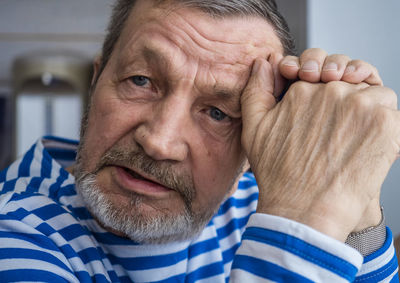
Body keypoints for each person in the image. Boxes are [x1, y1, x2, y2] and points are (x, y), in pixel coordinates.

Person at [0, 0, 398, 282]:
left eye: (218, 113)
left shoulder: (257, 197)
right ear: (97, 80)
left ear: (251, 144)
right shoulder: (16, 234)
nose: (159, 142)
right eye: (141, 81)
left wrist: (353, 191)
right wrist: (301, 225)